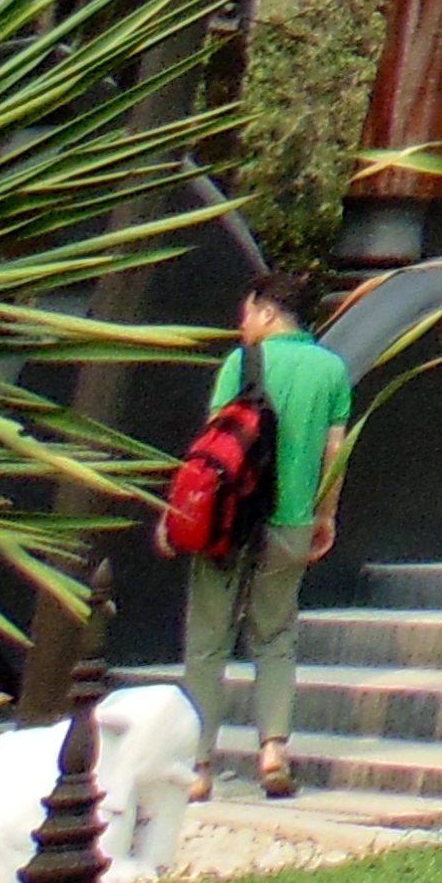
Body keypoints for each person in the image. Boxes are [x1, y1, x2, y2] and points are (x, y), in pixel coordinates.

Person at [185, 265, 358, 798]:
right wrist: (324, 516)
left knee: (208, 641)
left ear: (266, 310)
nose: (242, 324)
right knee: (277, 635)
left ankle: (197, 766)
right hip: (291, 524)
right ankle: (273, 752)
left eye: (246, 312)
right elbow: (335, 453)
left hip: (229, 523)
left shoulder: (241, 364)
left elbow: (214, 450)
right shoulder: (331, 371)